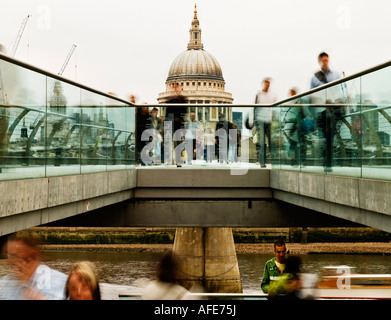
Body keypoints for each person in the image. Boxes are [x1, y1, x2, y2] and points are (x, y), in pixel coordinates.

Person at [0, 233, 67, 300]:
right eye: (8, 256)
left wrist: (26, 288)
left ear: (32, 256)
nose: (10, 261)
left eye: (14, 256)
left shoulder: (60, 282)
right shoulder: (5, 282)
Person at [252, 77, 278, 167]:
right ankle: (262, 162)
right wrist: (253, 120)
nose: (267, 85)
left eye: (269, 84)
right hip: (260, 120)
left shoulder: (273, 95)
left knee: (271, 142)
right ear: (263, 84)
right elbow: (254, 108)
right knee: (262, 142)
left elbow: (275, 108)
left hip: (269, 120)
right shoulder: (258, 94)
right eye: (266, 83)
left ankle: (274, 160)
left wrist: (276, 119)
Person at [165, 84, 187, 167]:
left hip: (178, 125)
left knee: (178, 143)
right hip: (171, 124)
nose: (174, 89)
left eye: (176, 87)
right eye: (173, 87)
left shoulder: (182, 100)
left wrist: (179, 119)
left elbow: (184, 112)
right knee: (172, 143)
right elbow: (167, 113)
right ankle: (172, 159)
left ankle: (178, 160)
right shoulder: (170, 100)